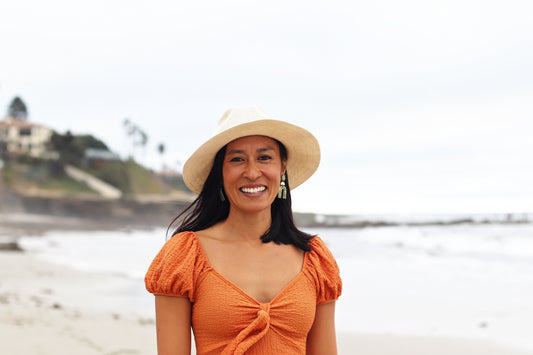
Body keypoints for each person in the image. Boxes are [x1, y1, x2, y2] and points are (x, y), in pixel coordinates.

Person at [145, 106, 342, 355]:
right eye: (237, 159)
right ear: (220, 173)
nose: (251, 173)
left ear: (283, 168)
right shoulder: (185, 256)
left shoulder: (314, 258)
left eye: (264, 158)